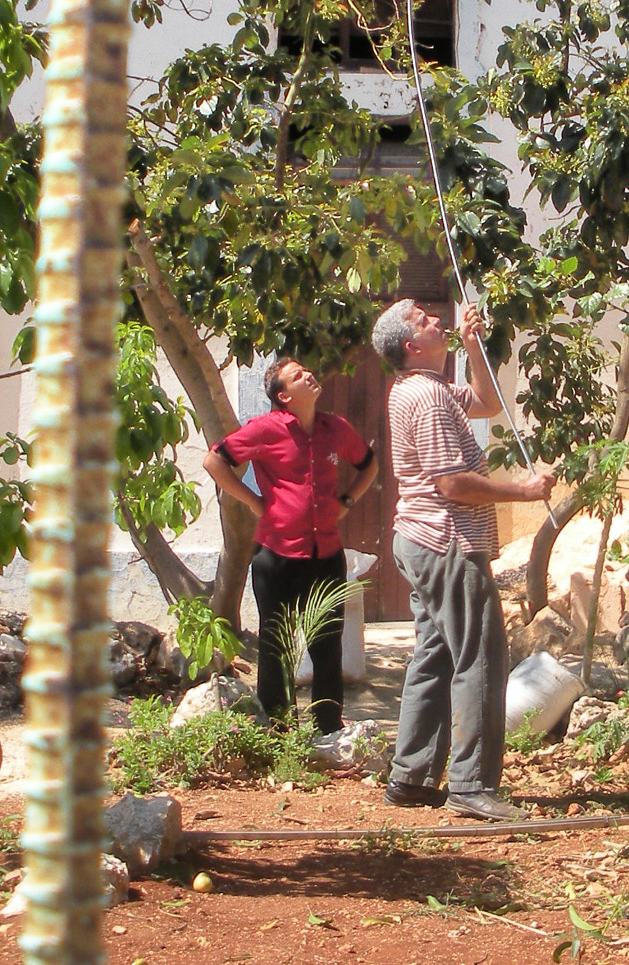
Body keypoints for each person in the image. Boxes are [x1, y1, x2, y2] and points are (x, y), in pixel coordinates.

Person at [370, 298, 553, 821]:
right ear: (412, 345)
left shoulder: (426, 388)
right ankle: (472, 785)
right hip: (446, 540)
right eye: (426, 320)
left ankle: (410, 776)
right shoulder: (425, 399)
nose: (437, 320)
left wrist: (473, 345)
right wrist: (523, 492)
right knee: (480, 657)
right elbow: (451, 484)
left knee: (436, 653)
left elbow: (486, 402)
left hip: (422, 540)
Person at [203, 358, 377, 762]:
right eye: (298, 375)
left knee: (327, 646)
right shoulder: (265, 429)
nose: (309, 376)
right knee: (275, 647)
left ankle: (328, 734)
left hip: (326, 554)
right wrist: (252, 501)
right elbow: (215, 460)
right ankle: (279, 739)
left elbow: (367, 464)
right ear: (283, 396)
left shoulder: (335, 428)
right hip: (277, 556)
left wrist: (348, 501)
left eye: (308, 371)